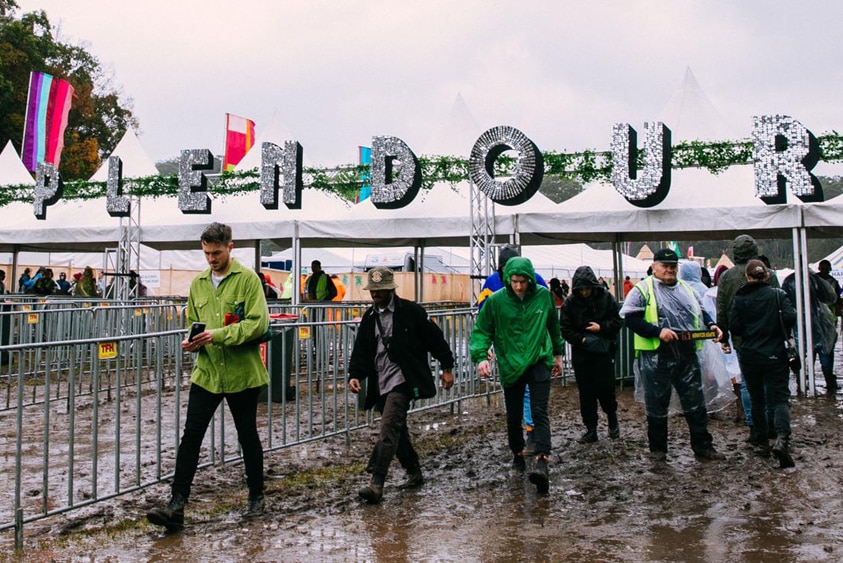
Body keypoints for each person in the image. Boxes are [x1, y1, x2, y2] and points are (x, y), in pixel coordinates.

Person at [147, 222, 270, 530]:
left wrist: (220, 335)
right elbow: (194, 322)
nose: (211, 259)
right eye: (206, 253)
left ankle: (256, 496)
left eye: (216, 253)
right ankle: (176, 505)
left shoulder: (248, 280)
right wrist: (192, 342)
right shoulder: (199, 283)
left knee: (247, 436)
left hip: (243, 374)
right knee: (191, 437)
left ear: (230, 247)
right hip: (207, 373)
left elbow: (257, 323)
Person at [348, 266, 454, 504]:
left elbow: (435, 339)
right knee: (397, 430)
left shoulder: (411, 312)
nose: (375, 294)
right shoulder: (369, 317)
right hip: (380, 380)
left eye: (380, 290)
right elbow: (362, 350)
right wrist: (355, 374)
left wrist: (447, 367)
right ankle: (414, 471)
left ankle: (376, 482)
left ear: (390, 289)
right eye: (372, 290)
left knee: (388, 428)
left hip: (403, 379)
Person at [621, 248, 726, 462]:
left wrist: (712, 325)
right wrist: (657, 332)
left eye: (673, 267)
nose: (669, 270)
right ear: (654, 267)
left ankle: (703, 447)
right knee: (657, 405)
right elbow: (630, 318)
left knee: (695, 403)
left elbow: (701, 311)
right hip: (656, 357)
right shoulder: (642, 289)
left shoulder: (686, 288)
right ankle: (658, 450)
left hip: (687, 355)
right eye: (665, 266)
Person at [470, 256, 564, 494]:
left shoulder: (543, 296)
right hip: (511, 362)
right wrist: (481, 356)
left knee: (540, 410)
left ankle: (542, 461)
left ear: (530, 279)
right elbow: (482, 330)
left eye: (523, 281)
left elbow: (553, 325)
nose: (519, 286)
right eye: (515, 281)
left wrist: (557, 354)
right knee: (513, 415)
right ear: (508, 279)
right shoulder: (496, 302)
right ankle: (517, 454)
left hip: (538, 359)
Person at [476, 245, 549, 452]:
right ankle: (520, 436)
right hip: (507, 347)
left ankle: (532, 431)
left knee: (530, 393)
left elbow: (547, 313)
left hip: (533, 348)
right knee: (514, 393)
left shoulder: (537, 281)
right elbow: (483, 316)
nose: (516, 282)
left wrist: (551, 348)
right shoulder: (491, 283)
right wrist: (485, 347)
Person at [729, 259, 796, 468]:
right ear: (766, 275)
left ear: (748, 276)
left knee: (757, 398)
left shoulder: (740, 298)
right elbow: (790, 317)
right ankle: (782, 439)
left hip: (750, 354)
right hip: (775, 353)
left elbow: (735, 327)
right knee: (779, 398)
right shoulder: (778, 295)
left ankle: (761, 440)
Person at [716, 235, 776, 431]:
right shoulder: (769, 274)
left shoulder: (727, 276)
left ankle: (752, 423)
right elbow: (780, 303)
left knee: (748, 381)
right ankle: (769, 421)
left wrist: (723, 335)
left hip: (741, 335)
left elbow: (722, 307)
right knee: (769, 380)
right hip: (769, 334)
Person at [559, 265, 623, 443]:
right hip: (582, 354)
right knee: (586, 393)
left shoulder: (606, 298)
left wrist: (601, 328)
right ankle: (591, 428)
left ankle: (612, 419)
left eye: (587, 288)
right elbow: (565, 328)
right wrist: (581, 340)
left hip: (603, 352)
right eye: (582, 289)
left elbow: (618, 321)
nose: (585, 292)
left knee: (606, 389)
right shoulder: (570, 303)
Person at [783, 267, 838, 393]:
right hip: (819, 324)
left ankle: (801, 384)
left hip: (799, 325)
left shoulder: (789, 281)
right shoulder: (814, 280)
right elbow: (830, 297)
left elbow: (784, 303)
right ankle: (830, 384)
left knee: (802, 356)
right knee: (825, 355)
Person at [817, 259, 842, 326]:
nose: (824, 270)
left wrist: (838, 309)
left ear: (829, 269)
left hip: (830, 311)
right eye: (823, 268)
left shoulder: (833, 282)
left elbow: (837, 298)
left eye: (826, 268)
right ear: (819, 268)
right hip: (817, 311)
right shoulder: (814, 279)